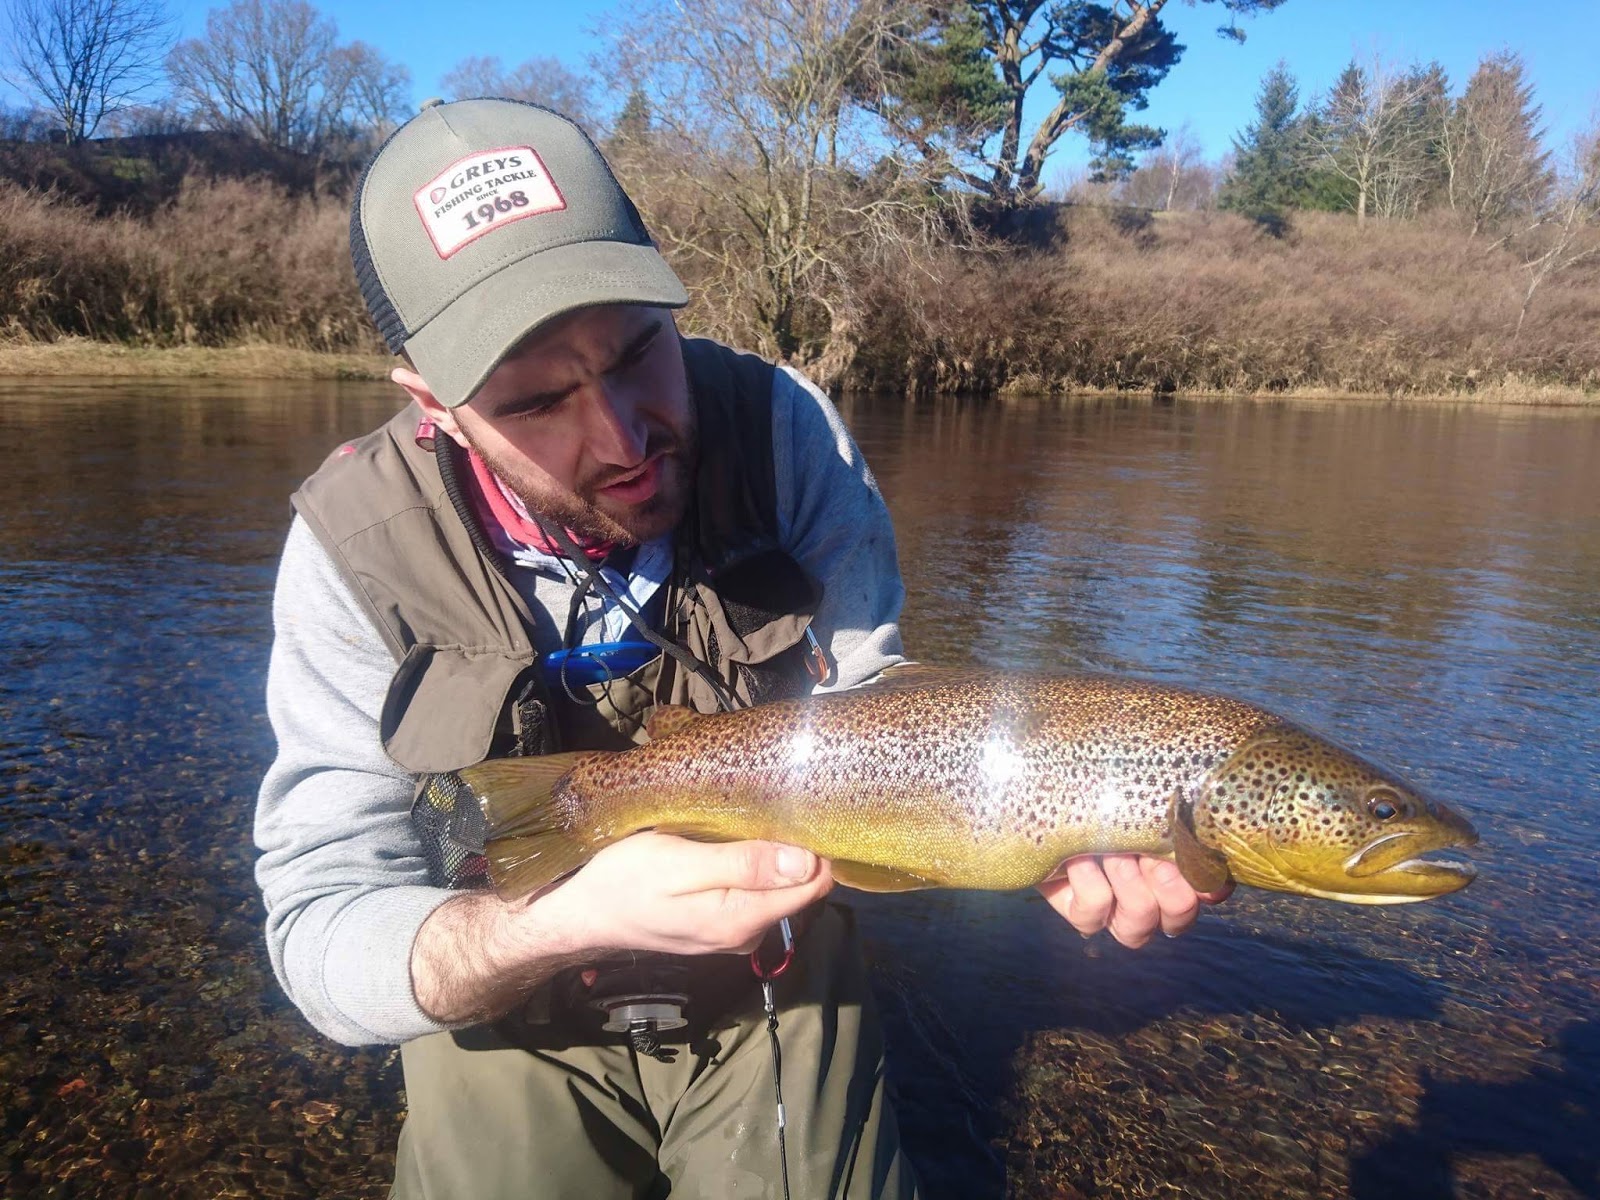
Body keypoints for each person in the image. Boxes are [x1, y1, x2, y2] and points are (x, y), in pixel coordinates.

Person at [254, 98, 1228, 1200]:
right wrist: (550, 922)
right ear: (433, 405)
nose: (622, 438)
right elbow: (322, 925)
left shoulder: (782, 431)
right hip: (510, 968)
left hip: (771, 951)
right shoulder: (354, 547)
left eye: (635, 351)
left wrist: (1037, 816)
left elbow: (879, 702)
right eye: (536, 401)